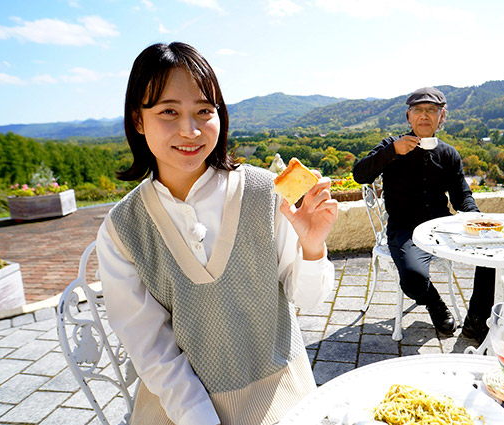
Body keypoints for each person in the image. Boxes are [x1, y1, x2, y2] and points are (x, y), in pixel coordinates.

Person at [96, 42, 338, 425]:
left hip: (279, 393)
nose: (189, 130)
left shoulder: (265, 193)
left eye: (204, 111)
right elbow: (151, 349)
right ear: (138, 121)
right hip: (176, 406)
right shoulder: (122, 229)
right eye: (168, 112)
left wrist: (311, 246)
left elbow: (307, 298)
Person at [352, 87, 495, 343]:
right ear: (409, 116)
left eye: (432, 110)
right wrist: (392, 151)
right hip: (405, 229)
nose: (424, 116)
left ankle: (476, 321)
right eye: (418, 110)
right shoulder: (391, 146)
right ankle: (435, 303)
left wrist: (475, 218)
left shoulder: (449, 153)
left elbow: (461, 196)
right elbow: (360, 174)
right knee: (413, 278)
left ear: (442, 118)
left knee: (490, 252)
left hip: (443, 226)